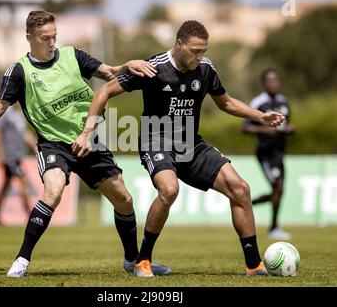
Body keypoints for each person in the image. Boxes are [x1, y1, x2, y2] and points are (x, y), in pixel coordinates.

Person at [0, 10, 171, 277]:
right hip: (53, 144)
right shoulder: (19, 72)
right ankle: (22, 259)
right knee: (53, 191)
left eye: (54, 37)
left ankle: (132, 261)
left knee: (124, 200)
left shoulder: (73, 56)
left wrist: (127, 65)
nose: (51, 43)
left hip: (89, 139)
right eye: (45, 38)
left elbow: (109, 72)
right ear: (29, 38)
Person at [73, 20, 285, 277]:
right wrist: (87, 133)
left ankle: (253, 265)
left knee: (240, 189)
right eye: (195, 51)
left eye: (204, 51)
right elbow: (104, 90)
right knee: (169, 189)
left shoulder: (205, 69)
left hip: (191, 144)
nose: (200, 57)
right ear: (179, 44)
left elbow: (226, 103)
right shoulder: (153, 67)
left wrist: (260, 116)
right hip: (156, 142)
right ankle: (143, 260)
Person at [243, 69, 295, 240]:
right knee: (278, 186)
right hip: (265, 153)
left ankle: (249, 204)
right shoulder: (258, 102)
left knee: (279, 190)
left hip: (279, 153)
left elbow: (287, 124)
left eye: (276, 80)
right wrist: (265, 130)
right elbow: (246, 127)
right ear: (264, 84)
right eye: (270, 81)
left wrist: (289, 129)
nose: (274, 84)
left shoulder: (284, 102)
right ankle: (273, 227)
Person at [0, 105, 37, 225]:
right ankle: (31, 217)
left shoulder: (19, 114)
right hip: (10, 156)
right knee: (24, 180)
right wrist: (0, 154)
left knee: (5, 186)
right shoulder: (4, 113)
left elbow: (25, 133)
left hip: (18, 156)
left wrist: (36, 147)